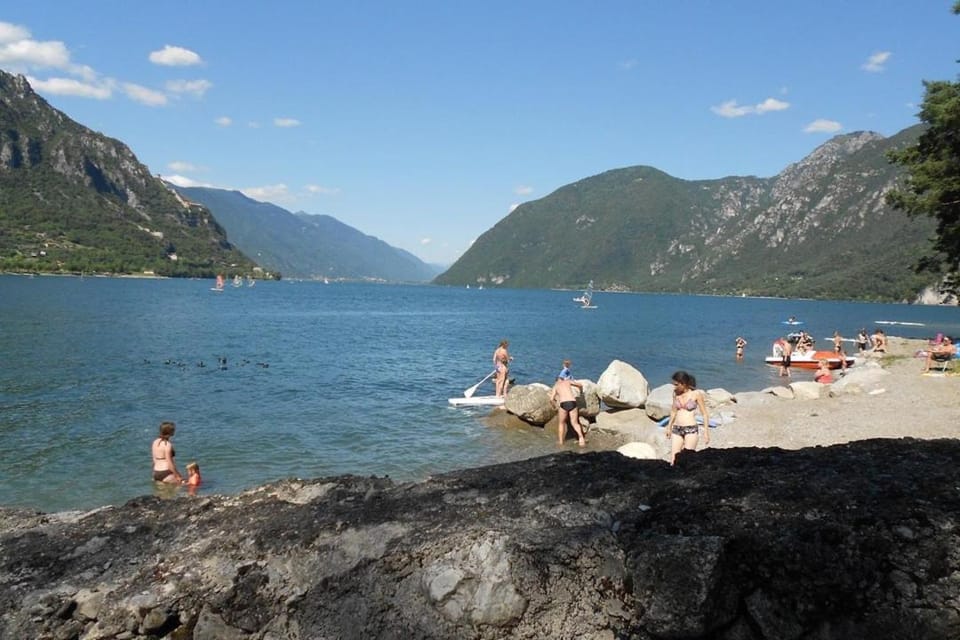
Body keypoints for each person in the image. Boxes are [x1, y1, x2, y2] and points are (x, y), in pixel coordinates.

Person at [664, 370, 710, 465]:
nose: (674, 387)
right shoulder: (675, 394)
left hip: (691, 429)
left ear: (683, 384)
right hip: (677, 429)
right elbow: (673, 411)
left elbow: (704, 414)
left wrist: (706, 432)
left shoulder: (696, 394)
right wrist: (669, 427)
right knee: (673, 460)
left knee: (687, 459)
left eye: (676, 384)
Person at [549, 361, 586, 447]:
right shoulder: (567, 381)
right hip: (572, 402)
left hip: (564, 404)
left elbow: (551, 399)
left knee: (561, 423)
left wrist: (554, 406)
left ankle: (561, 442)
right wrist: (581, 392)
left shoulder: (555, 386)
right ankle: (581, 439)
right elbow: (580, 385)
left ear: (556, 381)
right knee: (575, 423)